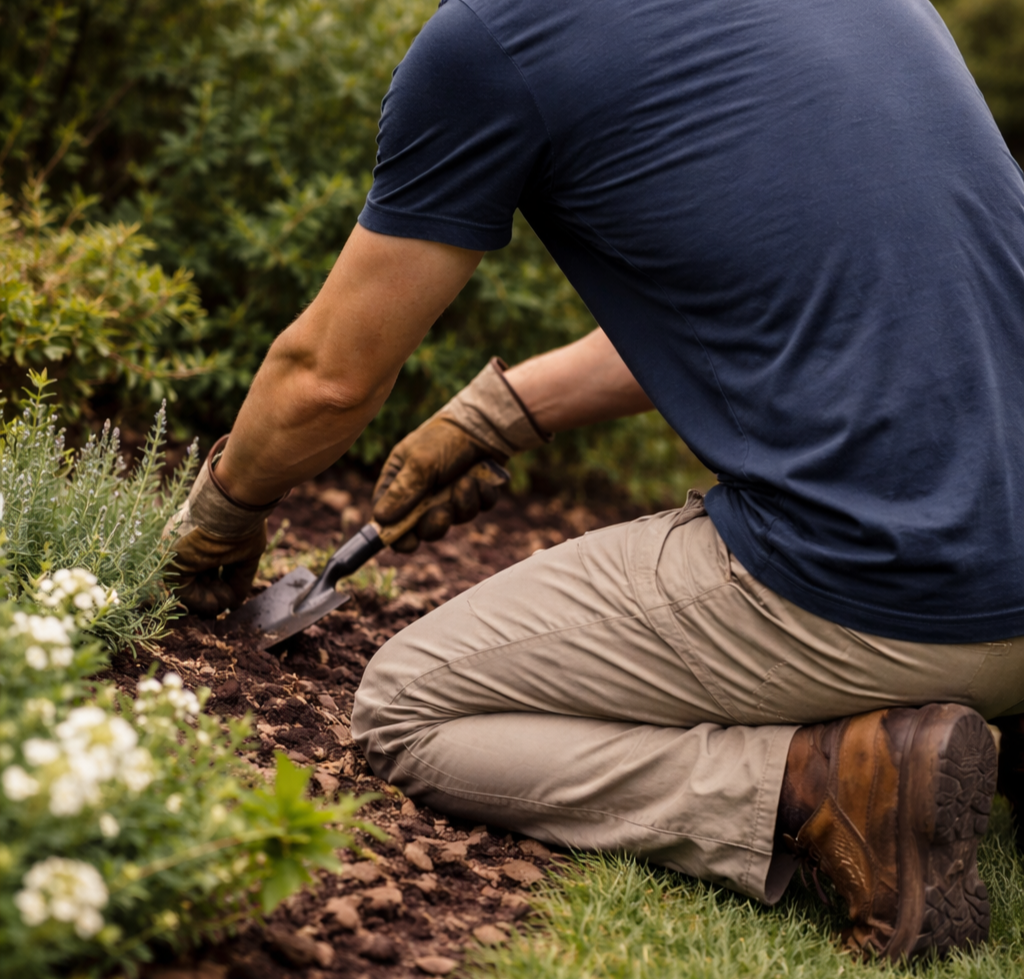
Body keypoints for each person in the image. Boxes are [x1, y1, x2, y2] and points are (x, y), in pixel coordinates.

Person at [164, 0, 1024, 960]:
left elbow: (328, 381)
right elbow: (788, 297)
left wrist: (221, 517)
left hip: (890, 583)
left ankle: (825, 782)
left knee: (407, 706)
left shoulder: (495, 38)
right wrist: (498, 413)